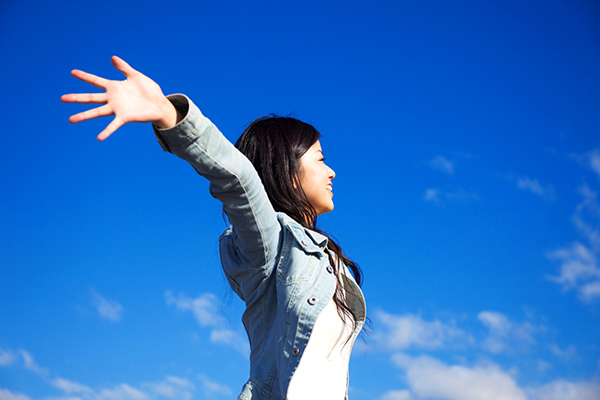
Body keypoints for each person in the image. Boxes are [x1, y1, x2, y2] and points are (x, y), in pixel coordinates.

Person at [62, 56, 367, 400]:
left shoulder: (328, 262)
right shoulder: (270, 247)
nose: (332, 172)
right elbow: (240, 181)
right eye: (321, 159)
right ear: (286, 170)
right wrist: (169, 114)